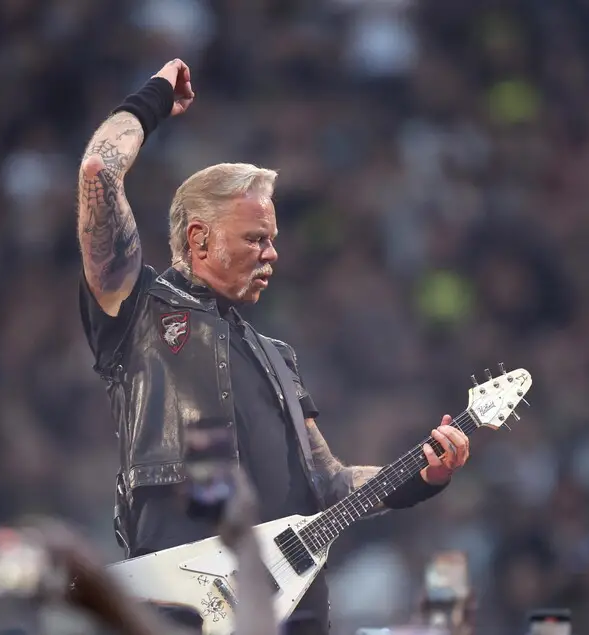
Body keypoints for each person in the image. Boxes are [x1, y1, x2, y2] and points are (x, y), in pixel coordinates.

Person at [76, 58, 472, 634]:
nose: (272, 254)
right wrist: (153, 98)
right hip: (187, 609)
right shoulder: (139, 313)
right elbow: (98, 170)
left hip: (292, 608)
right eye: (255, 239)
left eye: (273, 239)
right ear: (199, 238)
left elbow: (330, 483)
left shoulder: (277, 357)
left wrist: (422, 474)